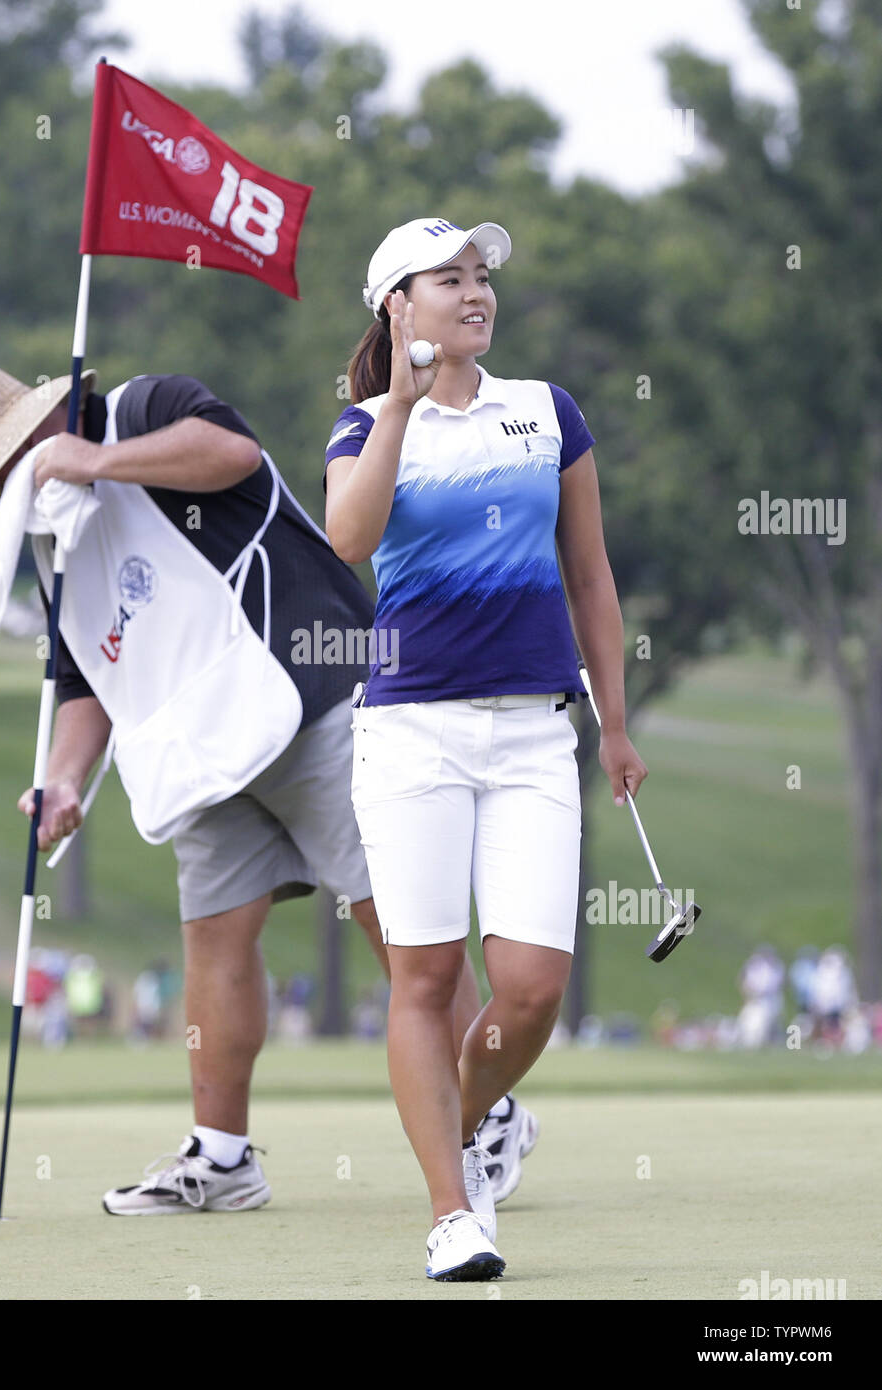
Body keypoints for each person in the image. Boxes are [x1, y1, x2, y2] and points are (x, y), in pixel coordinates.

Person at [0, 358, 507, 1216]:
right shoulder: (54, 541)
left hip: (310, 697)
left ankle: (489, 1119)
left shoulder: (143, 407)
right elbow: (85, 679)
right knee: (215, 940)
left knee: (399, 920)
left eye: (17, 463)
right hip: (195, 753)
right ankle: (223, 1158)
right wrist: (61, 780)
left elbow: (229, 453)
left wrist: (96, 462)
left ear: (47, 426)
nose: (20, 485)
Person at [324, 217, 647, 1281]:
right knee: (421, 975)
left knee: (530, 987)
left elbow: (590, 576)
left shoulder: (545, 412)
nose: (473, 293)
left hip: (530, 732)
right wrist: (401, 416)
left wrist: (614, 719)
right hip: (410, 729)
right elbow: (350, 538)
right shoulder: (362, 423)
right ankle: (449, 1211)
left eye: (480, 277)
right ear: (396, 306)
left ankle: (462, 1126)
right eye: (446, 279)